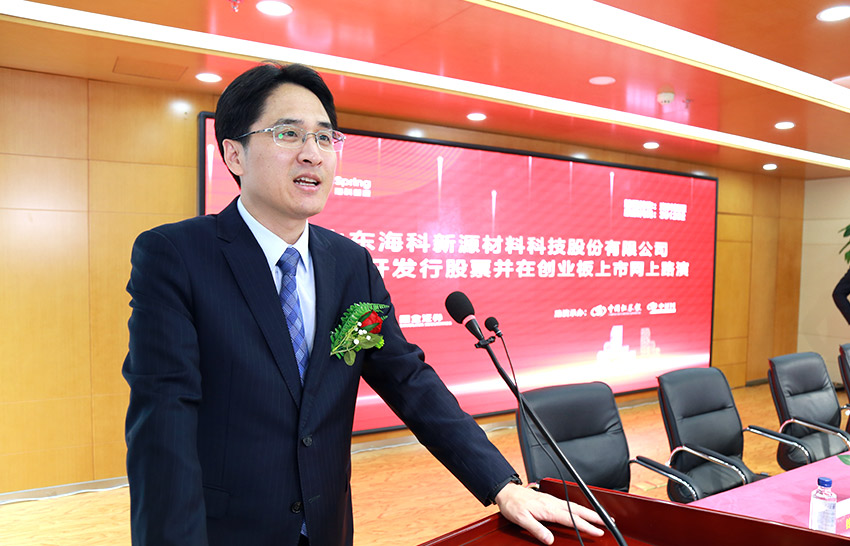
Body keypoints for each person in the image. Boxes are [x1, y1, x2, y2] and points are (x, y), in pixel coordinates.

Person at [122, 62, 604, 546]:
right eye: (288, 134)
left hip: (327, 528)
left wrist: (502, 485)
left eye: (325, 137)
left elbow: (407, 380)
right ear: (234, 154)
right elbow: (163, 426)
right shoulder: (177, 256)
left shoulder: (350, 265)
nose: (312, 153)